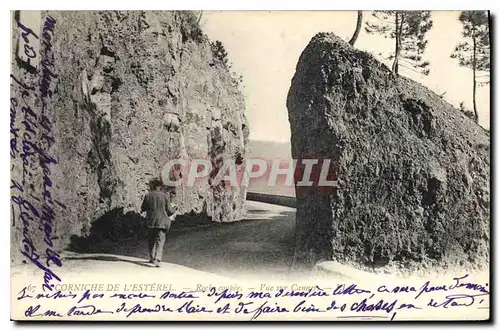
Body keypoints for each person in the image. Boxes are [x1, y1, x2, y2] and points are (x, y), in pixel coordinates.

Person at [141, 178, 178, 267]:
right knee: (160, 240)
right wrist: (175, 209)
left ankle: (152, 257)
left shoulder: (148, 195)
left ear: (152, 186)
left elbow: (143, 208)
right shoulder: (165, 196)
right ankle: (157, 259)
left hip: (151, 222)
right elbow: (169, 211)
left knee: (151, 240)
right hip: (162, 222)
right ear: (159, 186)